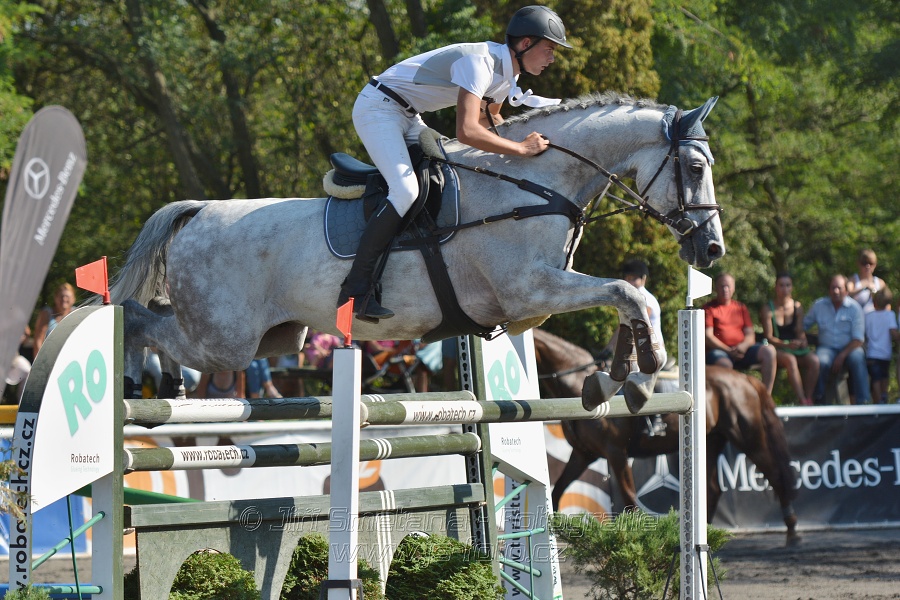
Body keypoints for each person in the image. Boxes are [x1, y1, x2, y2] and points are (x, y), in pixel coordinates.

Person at [337, 5, 571, 321]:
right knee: (405, 191)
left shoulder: (506, 75)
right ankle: (355, 289)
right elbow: (467, 130)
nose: (552, 58)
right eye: (549, 49)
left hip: (408, 115)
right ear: (526, 43)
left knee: (446, 173)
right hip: (378, 107)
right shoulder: (480, 62)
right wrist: (519, 148)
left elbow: (490, 121)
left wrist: (540, 141)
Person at [703, 273, 777, 394]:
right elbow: (708, 336)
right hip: (719, 352)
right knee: (724, 364)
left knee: (769, 351)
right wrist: (728, 350)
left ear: (733, 288)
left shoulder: (740, 308)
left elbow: (750, 334)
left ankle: (765, 396)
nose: (725, 289)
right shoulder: (709, 309)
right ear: (716, 288)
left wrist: (742, 347)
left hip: (742, 351)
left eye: (728, 286)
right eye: (722, 286)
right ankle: (732, 398)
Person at [803, 274, 869, 405]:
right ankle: (819, 401)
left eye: (839, 288)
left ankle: (863, 402)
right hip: (826, 348)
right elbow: (803, 325)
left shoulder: (855, 308)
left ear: (846, 290)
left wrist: (842, 356)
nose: (836, 291)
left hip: (850, 348)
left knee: (858, 358)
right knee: (820, 361)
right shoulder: (819, 305)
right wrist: (801, 338)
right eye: (833, 288)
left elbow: (858, 339)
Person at [622, 259, 668, 434]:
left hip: (653, 350)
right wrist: (607, 350)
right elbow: (622, 330)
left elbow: (638, 327)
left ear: (643, 280)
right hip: (641, 348)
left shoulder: (644, 299)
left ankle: (657, 420)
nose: (630, 282)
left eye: (634, 278)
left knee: (643, 370)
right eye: (628, 278)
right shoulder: (631, 298)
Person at [760, 273, 820, 405]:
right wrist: (785, 345)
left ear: (791, 287)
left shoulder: (797, 307)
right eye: (781, 285)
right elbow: (769, 337)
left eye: (788, 285)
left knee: (814, 361)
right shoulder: (768, 309)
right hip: (778, 348)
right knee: (791, 360)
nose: (784, 289)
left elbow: (799, 331)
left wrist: (802, 340)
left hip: (794, 347)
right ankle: (802, 399)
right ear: (776, 287)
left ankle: (809, 397)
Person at [864, 289, 898, 404]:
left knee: (875, 378)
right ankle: (883, 397)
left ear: (874, 302)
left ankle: (878, 401)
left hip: (872, 353)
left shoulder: (868, 316)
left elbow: (864, 334)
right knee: (884, 376)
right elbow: (893, 332)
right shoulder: (890, 315)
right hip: (885, 354)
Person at [32, 282, 76, 356]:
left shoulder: (76, 314)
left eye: (67, 296)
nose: (64, 299)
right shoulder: (46, 313)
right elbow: (38, 340)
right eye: (61, 296)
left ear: (73, 299)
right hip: (49, 358)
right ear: (55, 298)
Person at [847, 248, 888, 314]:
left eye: (871, 263)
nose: (868, 266)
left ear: (875, 265)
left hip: (875, 321)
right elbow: (846, 295)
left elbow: (887, 304)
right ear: (858, 263)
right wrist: (863, 288)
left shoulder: (880, 283)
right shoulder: (853, 280)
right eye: (864, 263)